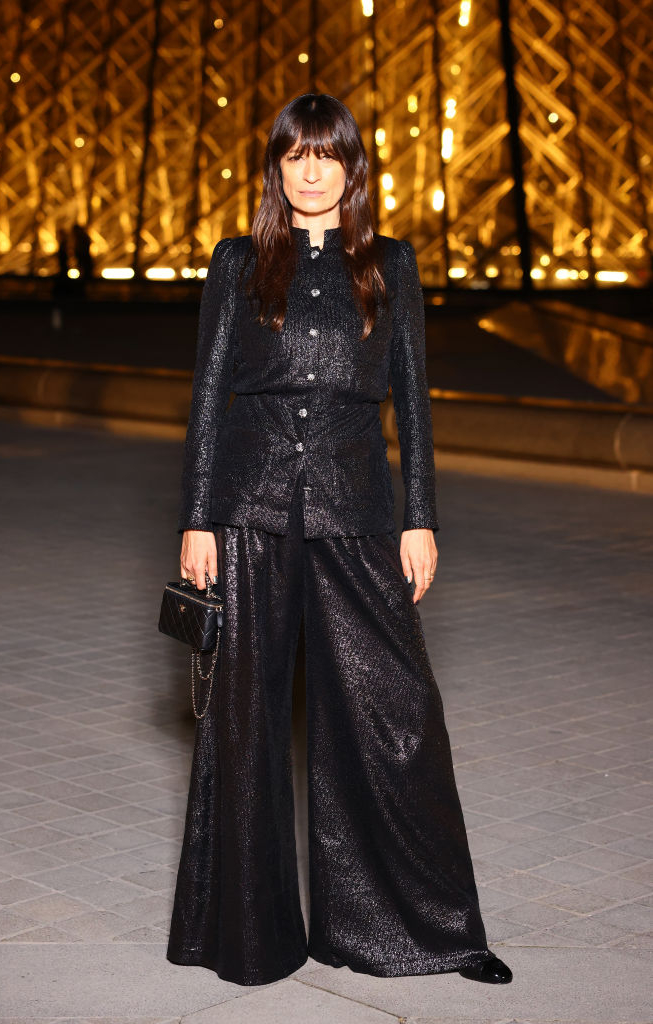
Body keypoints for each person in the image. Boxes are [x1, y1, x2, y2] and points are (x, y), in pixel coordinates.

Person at [166, 93, 513, 988]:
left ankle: (425, 932)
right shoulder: (237, 262)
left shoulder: (390, 266)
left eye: (327, 156)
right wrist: (195, 518)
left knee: (395, 713)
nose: (311, 171)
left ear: (353, 169)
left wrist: (420, 515)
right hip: (249, 510)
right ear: (276, 170)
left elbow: (413, 403)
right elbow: (207, 397)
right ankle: (248, 936)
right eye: (294, 156)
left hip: (357, 509)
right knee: (243, 726)